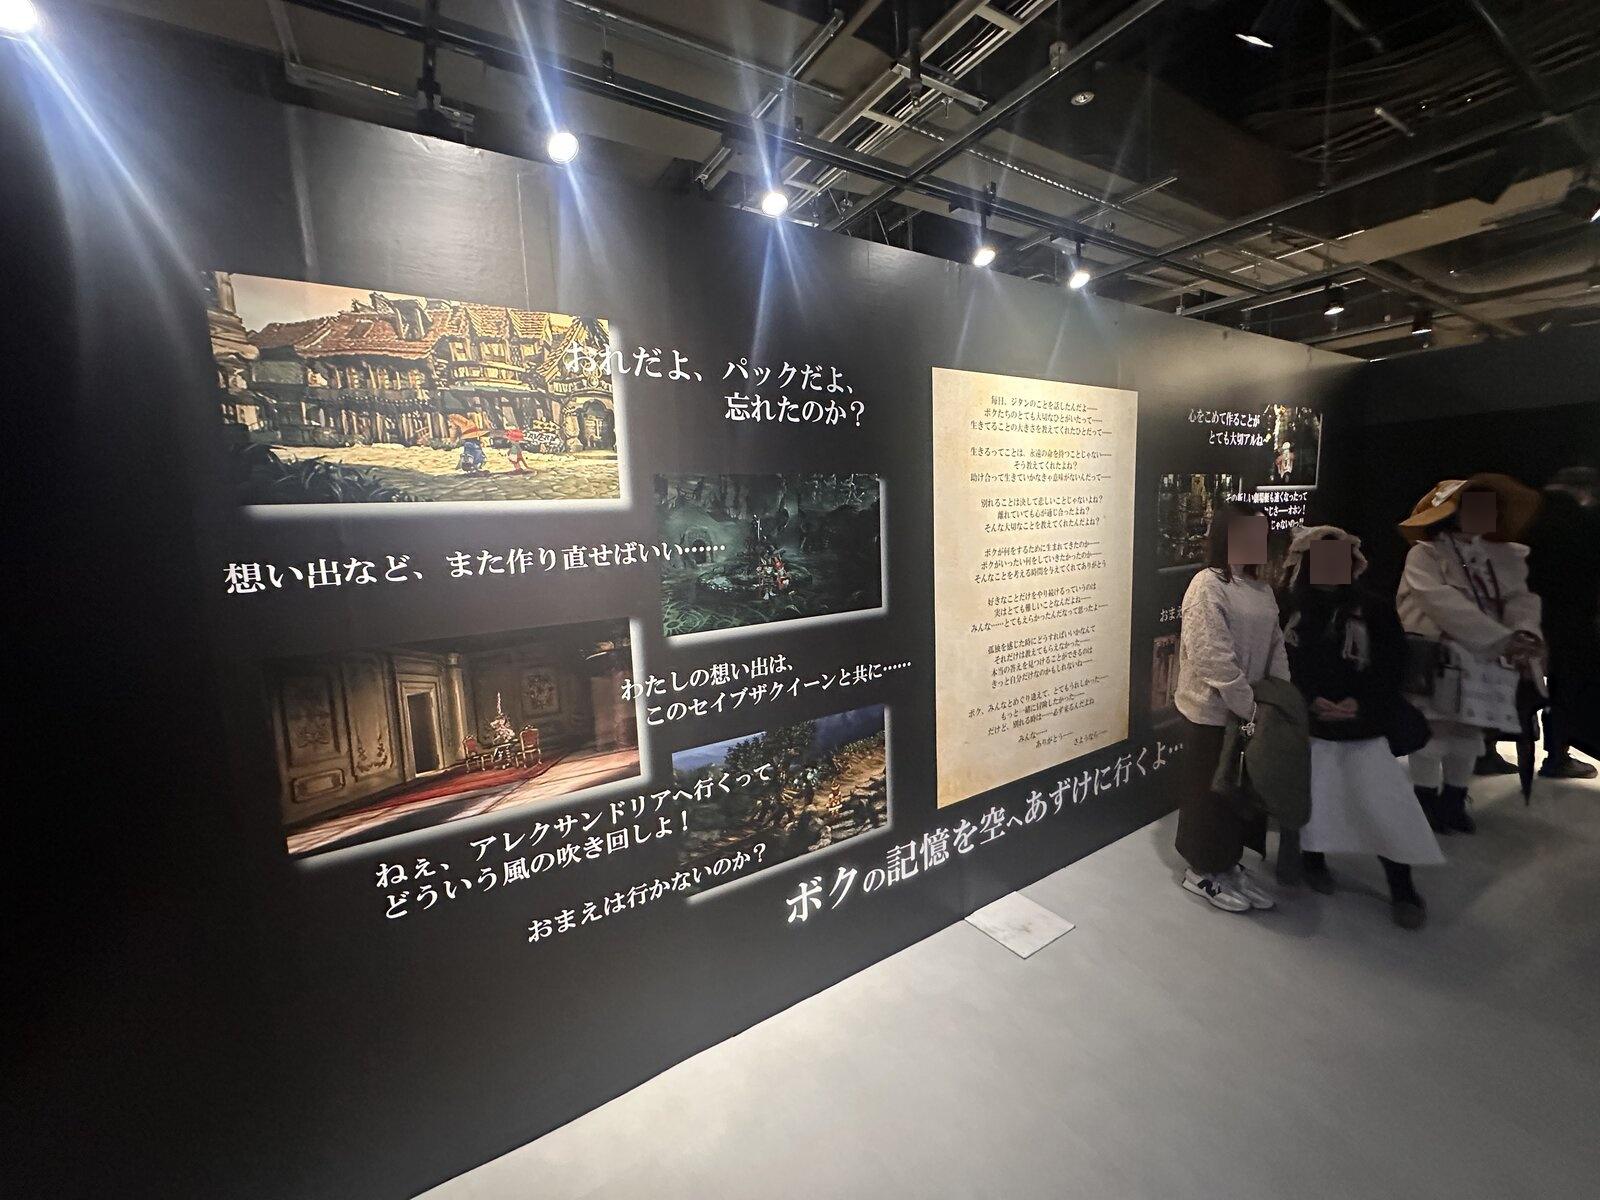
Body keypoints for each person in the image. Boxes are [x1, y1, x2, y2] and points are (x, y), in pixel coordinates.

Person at [1278, 526, 1443, 929]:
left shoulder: (1374, 609)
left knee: (1384, 807)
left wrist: (1360, 703)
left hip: (1363, 728)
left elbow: (1392, 666)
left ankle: (1402, 887)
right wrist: (1310, 698)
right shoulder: (1293, 610)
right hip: (1312, 725)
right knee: (1316, 802)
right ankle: (1314, 863)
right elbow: (1285, 662)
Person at [1396, 474, 1543, 834]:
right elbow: (1438, 601)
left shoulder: (1502, 555)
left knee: (1468, 733)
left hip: (1487, 658)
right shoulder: (1426, 553)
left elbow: (1519, 599)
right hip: (1440, 658)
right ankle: (1425, 802)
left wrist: (1524, 632)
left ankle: (1454, 801)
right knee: (1432, 733)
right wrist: (1500, 637)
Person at [1173, 500, 1288, 912]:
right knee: (1208, 792)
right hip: (1212, 712)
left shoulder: (1260, 588)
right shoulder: (1207, 585)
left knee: (1237, 795)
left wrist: (1277, 696)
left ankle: (1228, 862)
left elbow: (1276, 644)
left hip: (1249, 711)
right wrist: (1248, 704)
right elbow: (1212, 657)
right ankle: (1201, 869)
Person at [1524, 466, 1600, 775]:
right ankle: (1557, 754)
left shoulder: (1527, 513)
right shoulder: (1581, 520)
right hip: (1570, 616)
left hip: (1524, 610)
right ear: (1584, 491)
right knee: (1566, 684)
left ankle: (1487, 750)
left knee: (1520, 681)